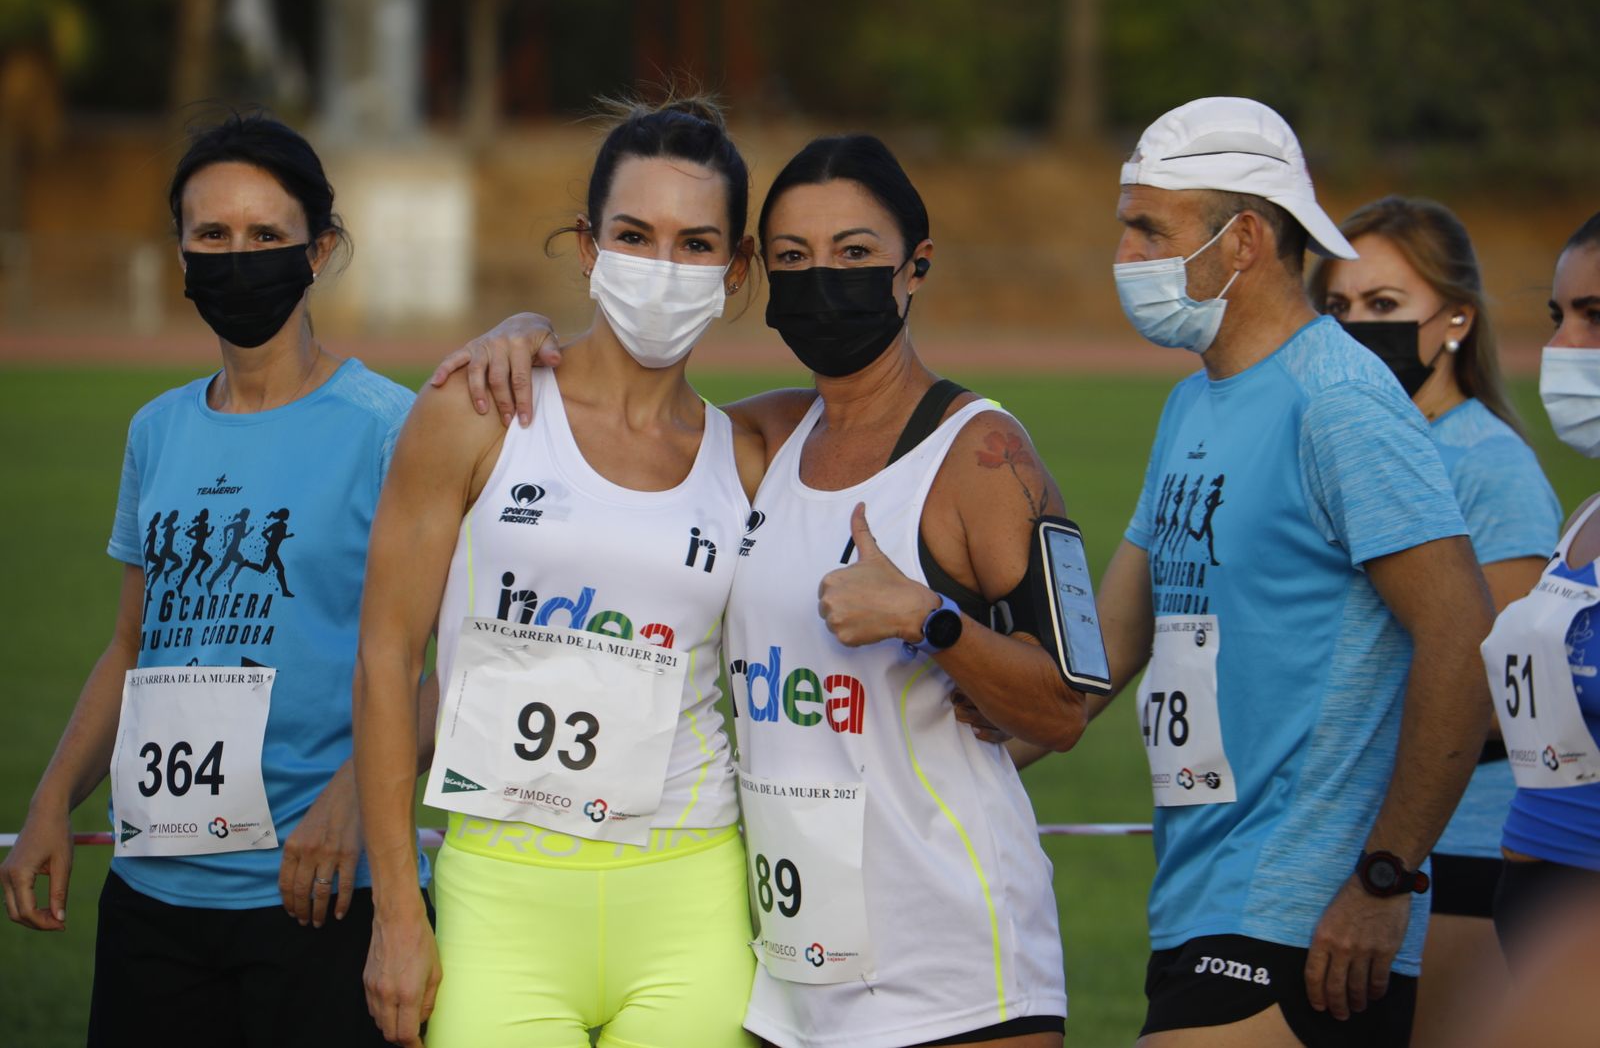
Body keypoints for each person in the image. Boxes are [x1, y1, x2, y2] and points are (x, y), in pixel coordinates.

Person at [441, 132, 1081, 1048]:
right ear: (764, 275)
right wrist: (524, 337)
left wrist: (928, 619)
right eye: (794, 258)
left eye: (855, 254)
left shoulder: (981, 453)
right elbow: (629, 426)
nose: (824, 279)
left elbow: (1063, 709)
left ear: (916, 267)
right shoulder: (769, 441)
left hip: (955, 972)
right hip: (796, 974)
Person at [0, 112, 430, 1047]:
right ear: (181, 252)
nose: (238, 258)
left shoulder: (391, 431)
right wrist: (47, 802)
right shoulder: (156, 431)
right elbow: (130, 646)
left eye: (267, 237)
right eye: (213, 236)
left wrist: (355, 793)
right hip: (154, 893)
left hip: (317, 891)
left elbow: (445, 665)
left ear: (318, 251)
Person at [354, 96, 765, 1048]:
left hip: (690, 897)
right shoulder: (474, 411)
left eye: (696, 243)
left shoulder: (750, 458)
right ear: (587, 246)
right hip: (499, 894)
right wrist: (395, 917)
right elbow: (384, 661)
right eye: (634, 234)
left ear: (735, 269)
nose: (661, 269)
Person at [1090, 97, 1494, 1047]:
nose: (1124, 257)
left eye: (1150, 229)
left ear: (1244, 242)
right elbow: (1103, 651)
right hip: (1195, 894)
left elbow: (1462, 635)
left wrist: (1385, 877)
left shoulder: (1340, 403)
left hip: (1305, 916)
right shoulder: (1191, 406)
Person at [1308, 196, 1562, 1044]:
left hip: (1457, 847)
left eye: (1384, 306)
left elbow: (1508, 697)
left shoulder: (1489, 464)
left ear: (1455, 317)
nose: (1354, 329)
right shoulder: (1349, 447)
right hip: (1362, 832)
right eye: (1337, 308)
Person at [1482, 210, 1600, 966]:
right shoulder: (1586, 514)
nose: (1561, 348)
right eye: (1558, 316)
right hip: (1534, 920)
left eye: (1596, 317)